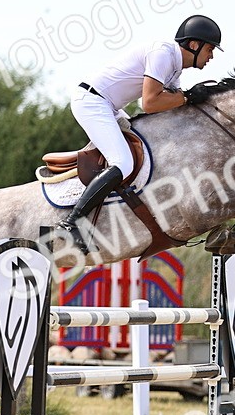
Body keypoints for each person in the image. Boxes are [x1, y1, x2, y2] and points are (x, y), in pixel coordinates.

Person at [57, 14, 223, 254]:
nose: (211, 56)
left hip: (109, 106)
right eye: (210, 49)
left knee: (145, 148)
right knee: (123, 163)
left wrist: (200, 100)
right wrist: (187, 97)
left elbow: (171, 107)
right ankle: (71, 223)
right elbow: (150, 103)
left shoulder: (175, 69)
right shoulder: (163, 54)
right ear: (194, 45)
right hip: (92, 102)